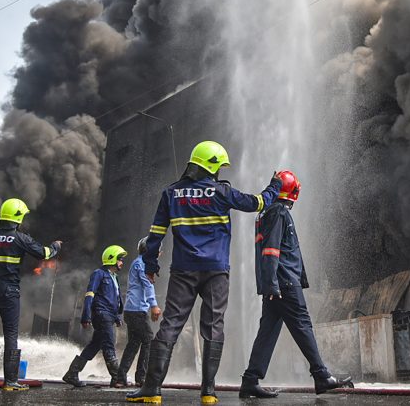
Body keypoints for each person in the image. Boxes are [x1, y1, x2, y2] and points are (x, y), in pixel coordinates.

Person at [127, 141, 282, 405]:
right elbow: (257, 203)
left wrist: (151, 267)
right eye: (219, 166)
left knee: (170, 327)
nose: (220, 171)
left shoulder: (170, 194)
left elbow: (155, 236)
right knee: (213, 327)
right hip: (216, 272)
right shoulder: (222, 192)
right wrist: (274, 186)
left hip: (183, 272)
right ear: (211, 166)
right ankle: (209, 392)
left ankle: (152, 389)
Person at [239, 170, 352, 397]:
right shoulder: (279, 212)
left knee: (267, 331)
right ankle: (321, 376)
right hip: (284, 284)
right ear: (293, 192)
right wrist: (272, 284)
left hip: (277, 284)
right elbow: (271, 250)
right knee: (303, 325)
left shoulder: (267, 213)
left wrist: (269, 285)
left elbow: (269, 250)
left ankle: (250, 380)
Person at [0, 197, 62, 392]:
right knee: (10, 334)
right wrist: (56, 246)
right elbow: (44, 254)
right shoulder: (20, 238)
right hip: (9, 291)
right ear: (18, 217)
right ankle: (10, 382)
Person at [63, 245, 128, 387]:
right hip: (101, 314)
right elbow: (89, 295)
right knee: (109, 344)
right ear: (112, 259)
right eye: (120, 259)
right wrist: (85, 315)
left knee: (94, 345)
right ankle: (117, 378)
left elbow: (113, 299)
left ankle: (72, 374)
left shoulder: (114, 277)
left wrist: (117, 317)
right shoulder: (99, 274)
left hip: (109, 315)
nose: (122, 262)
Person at [116, 237, 162, 388]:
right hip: (136, 311)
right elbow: (147, 285)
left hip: (133, 310)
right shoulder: (142, 264)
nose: (160, 253)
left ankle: (120, 378)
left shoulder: (141, 262)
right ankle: (141, 378)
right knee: (148, 340)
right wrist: (153, 305)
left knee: (134, 344)